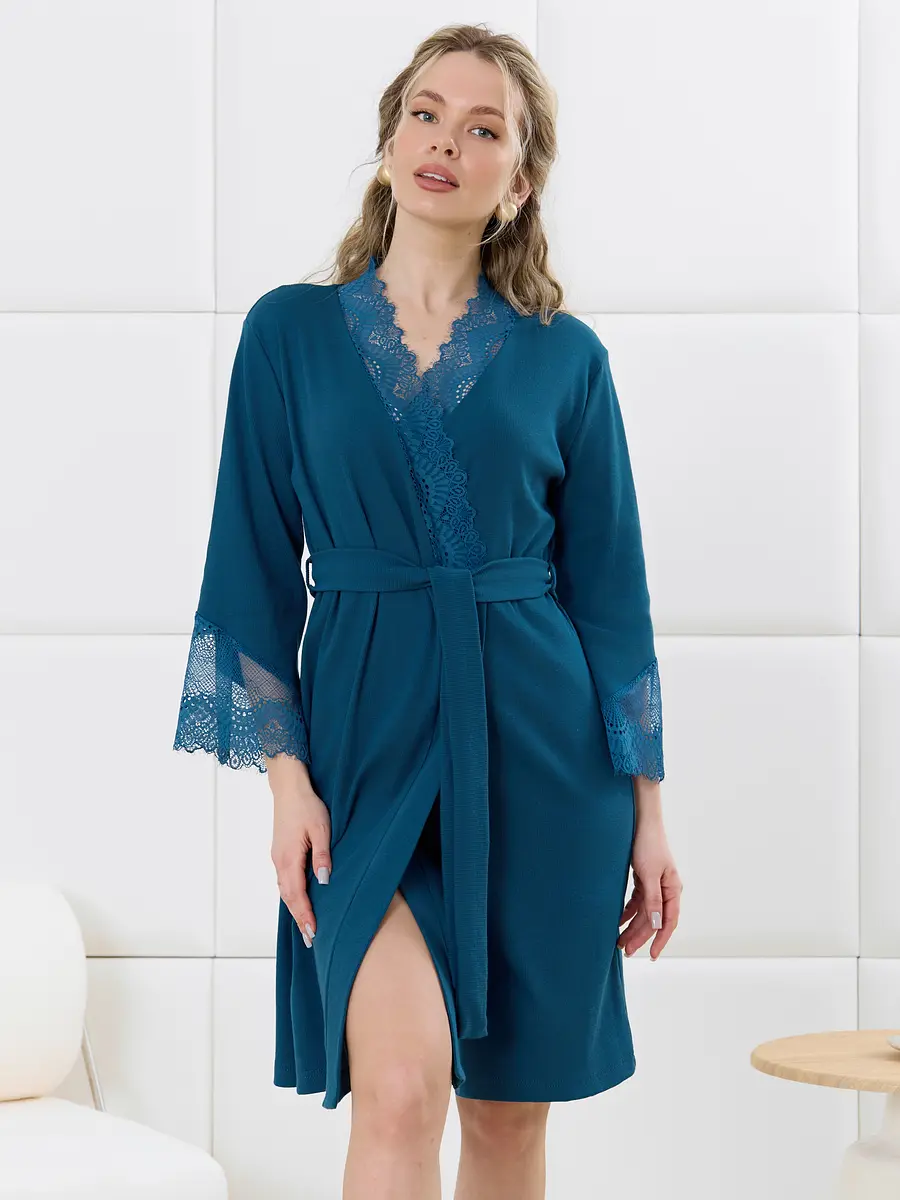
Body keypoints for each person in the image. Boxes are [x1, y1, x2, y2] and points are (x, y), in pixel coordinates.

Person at [173, 21, 683, 1200]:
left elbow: (615, 602)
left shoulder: (568, 358)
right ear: (391, 138)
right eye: (425, 114)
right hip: (365, 754)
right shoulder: (287, 334)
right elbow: (249, 569)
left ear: (522, 180)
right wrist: (285, 780)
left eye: (484, 128)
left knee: (505, 1125)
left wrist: (649, 810)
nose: (446, 142)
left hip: (547, 764)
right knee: (399, 1089)